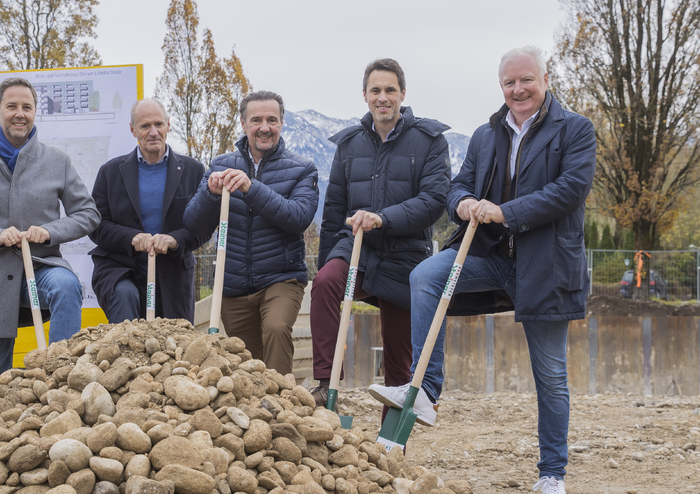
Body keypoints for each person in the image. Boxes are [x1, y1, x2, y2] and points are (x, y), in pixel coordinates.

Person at [369, 46, 596, 494]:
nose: (518, 89)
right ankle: (426, 390)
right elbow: (458, 185)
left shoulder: (575, 129)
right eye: (510, 82)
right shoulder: (485, 134)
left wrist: (505, 211)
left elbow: (570, 191)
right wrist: (464, 203)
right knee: (426, 275)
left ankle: (552, 476)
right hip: (491, 258)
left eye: (526, 80)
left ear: (545, 79)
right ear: (501, 86)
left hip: (547, 266)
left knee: (551, 376)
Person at [0, 77, 100, 389]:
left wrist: (50, 231)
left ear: (35, 112)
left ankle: (62, 376)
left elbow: (88, 214)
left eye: (27, 107)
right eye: (11, 106)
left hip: (42, 268)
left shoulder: (58, 161)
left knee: (66, 285)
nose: (19, 113)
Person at [311, 59, 451, 406]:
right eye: (375, 90)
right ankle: (327, 383)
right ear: (365, 94)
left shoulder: (430, 141)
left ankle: (391, 434)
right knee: (326, 282)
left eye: (390, 90)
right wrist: (327, 257)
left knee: (399, 361)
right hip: (358, 247)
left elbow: (434, 201)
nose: (383, 97)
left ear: (402, 93)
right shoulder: (348, 144)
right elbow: (334, 209)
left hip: (406, 255)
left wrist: (383, 218)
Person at [184, 90, 318, 375]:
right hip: (233, 285)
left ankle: (282, 399)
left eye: (272, 120)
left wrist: (250, 188)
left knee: (277, 329)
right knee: (246, 360)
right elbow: (194, 226)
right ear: (243, 124)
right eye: (256, 120)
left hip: (281, 277)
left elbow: (299, 218)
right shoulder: (220, 166)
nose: (264, 127)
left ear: (281, 123)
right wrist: (210, 194)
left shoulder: (302, 169)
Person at [89, 99, 208, 322]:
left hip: (173, 273)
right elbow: (96, 226)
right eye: (145, 126)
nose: (153, 132)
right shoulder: (110, 172)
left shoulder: (193, 171)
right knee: (126, 305)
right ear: (133, 130)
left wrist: (175, 240)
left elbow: (202, 226)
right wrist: (131, 238)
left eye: (158, 124)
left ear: (168, 125)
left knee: (173, 340)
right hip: (120, 268)